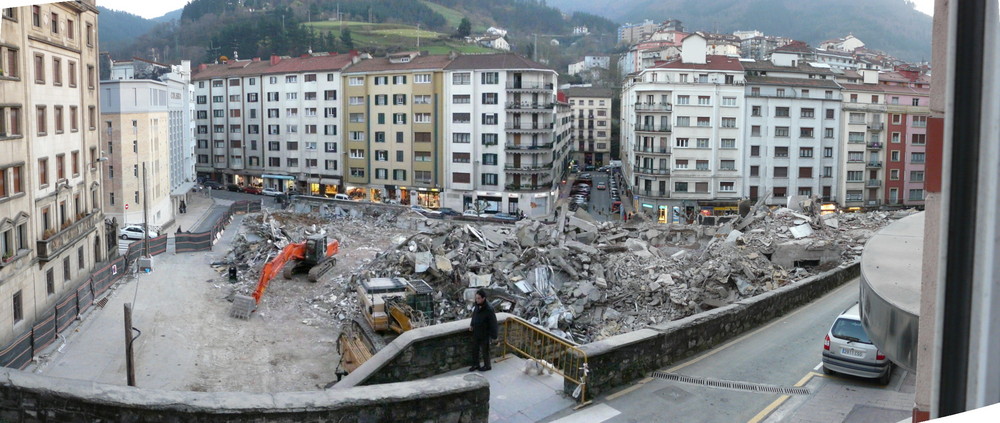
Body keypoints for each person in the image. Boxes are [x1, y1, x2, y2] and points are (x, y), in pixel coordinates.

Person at [469, 289, 498, 371]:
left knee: (485, 350)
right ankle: (476, 364)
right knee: (475, 349)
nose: (477, 300)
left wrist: (494, 336)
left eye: (478, 298)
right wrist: (472, 324)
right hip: (476, 331)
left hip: (485, 333)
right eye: (476, 298)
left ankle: (487, 365)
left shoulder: (489, 309)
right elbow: (474, 315)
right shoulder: (477, 306)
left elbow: (493, 322)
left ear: (483, 298)